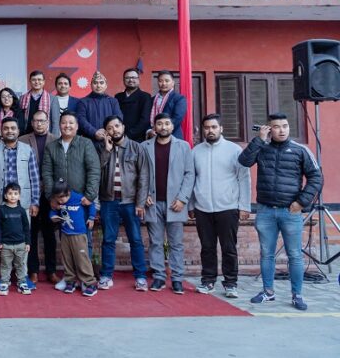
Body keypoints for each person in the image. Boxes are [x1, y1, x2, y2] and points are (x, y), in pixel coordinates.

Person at [239, 112, 323, 311]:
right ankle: (268, 292)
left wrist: (301, 202)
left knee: (294, 255)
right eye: (276, 127)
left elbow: (316, 177)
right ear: (269, 129)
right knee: (266, 254)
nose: (282, 130)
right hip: (265, 211)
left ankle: (297, 295)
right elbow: (244, 161)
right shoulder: (262, 148)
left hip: (290, 212)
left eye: (285, 126)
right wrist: (259, 140)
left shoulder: (300, 150)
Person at [190, 113, 251, 298]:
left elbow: (244, 178)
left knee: (229, 248)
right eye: (207, 127)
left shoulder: (234, 150)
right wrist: (191, 205)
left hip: (228, 207)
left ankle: (231, 283)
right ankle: (208, 281)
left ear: (221, 129)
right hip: (202, 208)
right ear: (203, 130)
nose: (210, 130)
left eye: (214, 127)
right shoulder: (195, 152)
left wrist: (244, 205)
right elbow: (190, 179)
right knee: (207, 247)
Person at [141, 113, 194, 294]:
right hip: (152, 203)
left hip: (175, 203)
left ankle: (177, 279)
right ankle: (159, 277)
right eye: (160, 124)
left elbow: (189, 174)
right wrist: (144, 194)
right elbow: (139, 173)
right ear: (154, 127)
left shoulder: (183, 146)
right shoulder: (145, 146)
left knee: (176, 243)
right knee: (155, 242)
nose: (163, 127)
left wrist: (182, 199)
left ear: (172, 126)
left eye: (167, 124)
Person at [41, 111, 100, 271]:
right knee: (65, 239)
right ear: (59, 125)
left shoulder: (85, 144)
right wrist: (51, 197)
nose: (67, 125)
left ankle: (85, 276)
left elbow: (94, 170)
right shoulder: (51, 147)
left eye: (71, 123)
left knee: (84, 240)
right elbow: (47, 173)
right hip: (62, 201)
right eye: (64, 122)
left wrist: (90, 195)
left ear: (77, 126)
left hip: (81, 201)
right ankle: (70, 276)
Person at [98, 115, 149, 292]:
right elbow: (96, 171)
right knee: (108, 239)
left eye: (117, 126)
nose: (114, 130)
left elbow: (144, 177)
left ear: (123, 127)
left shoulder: (136, 148)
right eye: (110, 128)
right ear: (106, 132)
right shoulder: (103, 148)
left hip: (130, 202)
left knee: (135, 239)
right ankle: (106, 276)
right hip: (108, 201)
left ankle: (140, 277)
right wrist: (106, 150)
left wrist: (140, 203)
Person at [0, 116, 40, 289]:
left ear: (18, 131)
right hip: (0, 205)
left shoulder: (27, 150)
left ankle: (22, 277)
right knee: (1, 240)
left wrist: (35, 202)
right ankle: (3, 277)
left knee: (22, 241)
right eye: (6, 128)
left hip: (22, 204)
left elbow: (34, 177)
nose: (9, 131)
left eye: (13, 128)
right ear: (1, 131)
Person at [19, 110, 58, 285]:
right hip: (29, 192)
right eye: (36, 121)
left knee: (50, 233)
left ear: (48, 122)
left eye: (42, 120)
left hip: (50, 193)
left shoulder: (56, 140)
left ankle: (51, 270)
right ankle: (33, 270)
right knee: (31, 232)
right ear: (32, 123)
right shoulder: (22, 140)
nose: (39, 124)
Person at [49, 179, 98, 297]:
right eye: (57, 198)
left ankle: (90, 283)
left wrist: (91, 218)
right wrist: (53, 217)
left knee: (82, 258)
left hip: (79, 234)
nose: (60, 200)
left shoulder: (78, 198)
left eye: (62, 197)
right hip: (65, 233)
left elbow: (91, 204)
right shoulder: (58, 202)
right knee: (67, 258)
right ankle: (70, 280)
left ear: (68, 193)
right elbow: (53, 211)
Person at [0, 183, 32, 296]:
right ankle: (4, 283)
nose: (13, 196)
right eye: (10, 193)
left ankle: (22, 283)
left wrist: (28, 242)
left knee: (20, 264)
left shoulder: (21, 211)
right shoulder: (1, 210)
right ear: (5, 195)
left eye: (15, 194)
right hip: (6, 245)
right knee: (5, 265)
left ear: (19, 196)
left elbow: (26, 228)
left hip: (20, 244)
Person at [76, 71, 122, 143]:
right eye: (95, 83)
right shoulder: (83, 102)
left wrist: (107, 132)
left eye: (101, 83)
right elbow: (81, 119)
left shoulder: (113, 101)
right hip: (89, 141)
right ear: (91, 85)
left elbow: (119, 118)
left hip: (110, 139)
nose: (98, 85)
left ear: (106, 85)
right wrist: (94, 132)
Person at [147, 71, 187, 140]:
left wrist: (160, 130)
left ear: (173, 83)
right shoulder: (152, 99)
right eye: (160, 81)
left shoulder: (179, 99)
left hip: (173, 137)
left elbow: (177, 118)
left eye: (167, 81)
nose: (163, 83)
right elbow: (146, 118)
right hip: (153, 137)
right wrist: (149, 130)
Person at [115, 68, 151, 142]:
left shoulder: (145, 97)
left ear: (138, 80)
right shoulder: (118, 97)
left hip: (138, 138)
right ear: (123, 80)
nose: (131, 80)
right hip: (119, 136)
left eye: (133, 77)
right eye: (127, 78)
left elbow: (144, 121)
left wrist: (128, 135)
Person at [19, 70, 51, 135]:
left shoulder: (52, 98)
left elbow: (55, 122)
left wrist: (54, 138)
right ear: (30, 81)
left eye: (39, 79)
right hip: (26, 134)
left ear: (44, 82)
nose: (36, 82)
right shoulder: (22, 98)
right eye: (34, 80)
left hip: (45, 135)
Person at [49, 73, 80, 137]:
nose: (63, 86)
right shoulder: (49, 101)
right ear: (56, 86)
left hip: (72, 138)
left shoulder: (77, 102)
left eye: (65, 84)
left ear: (70, 87)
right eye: (60, 83)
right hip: (53, 137)